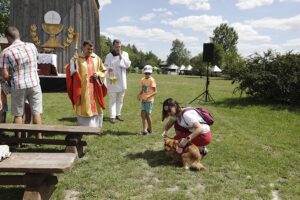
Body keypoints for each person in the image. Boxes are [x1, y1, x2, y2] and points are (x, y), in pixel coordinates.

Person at [0, 26, 43, 140]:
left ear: (8, 37)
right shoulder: (31, 46)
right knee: (36, 112)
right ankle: (39, 139)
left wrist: (10, 79)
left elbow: (4, 75)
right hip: (34, 83)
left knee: (18, 114)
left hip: (18, 85)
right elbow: (35, 62)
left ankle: (18, 141)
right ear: (18, 35)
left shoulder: (6, 52)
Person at [66, 40, 107, 128]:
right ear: (83, 48)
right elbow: (72, 72)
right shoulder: (77, 58)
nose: (90, 51)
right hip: (83, 89)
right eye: (88, 49)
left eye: (91, 49)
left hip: (94, 89)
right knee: (84, 107)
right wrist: (73, 62)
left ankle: (97, 126)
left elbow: (103, 70)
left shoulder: (96, 58)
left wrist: (98, 74)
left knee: (96, 107)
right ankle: (84, 127)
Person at [104, 39, 131, 124]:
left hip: (122, 81)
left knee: (120, 99)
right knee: (112, 99)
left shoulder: (125, 54)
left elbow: (127, 65)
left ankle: (118, 114)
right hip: (113, 80)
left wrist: (121, 57)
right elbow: (105, 66)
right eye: (116, 46)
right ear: (113, 46)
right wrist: (109, 69)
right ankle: (112, 116)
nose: (118, 48)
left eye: (119, 46)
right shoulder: (109, 55)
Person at [137, 65, 157, 135]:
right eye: (146, 73)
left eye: (149, 73)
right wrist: (139, 94)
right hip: (143, 100)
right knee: (142, 114)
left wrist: (148, 96)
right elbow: (143, 89)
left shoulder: (152, 80)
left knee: (148, 115)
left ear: (151, 73)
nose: (147, 74)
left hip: (149, 101)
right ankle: (144, 130)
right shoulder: (142, 80)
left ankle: (150, 129)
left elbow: (155, 92)